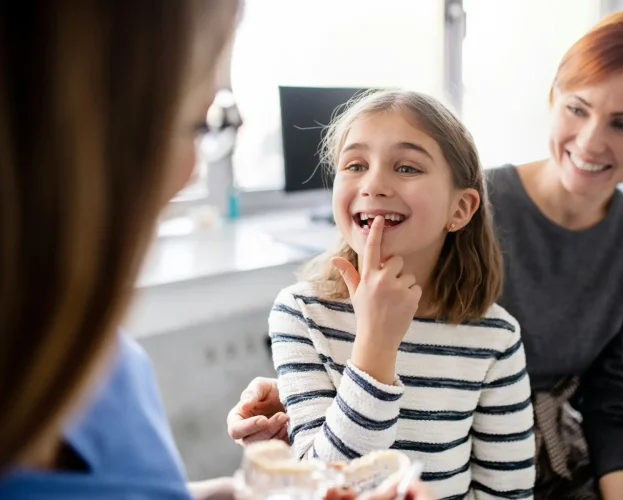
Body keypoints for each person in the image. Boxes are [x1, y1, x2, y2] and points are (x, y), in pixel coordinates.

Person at [229, 10, 623, 500]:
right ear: (554, 98)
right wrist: (325, 380)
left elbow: (612, 403)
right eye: (578, 109)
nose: (591, 139)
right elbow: (325, 472)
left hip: (541, 458)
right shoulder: (453, 200)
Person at [0, 2, 437, 500]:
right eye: (196, 124)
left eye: (407, 168)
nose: (190, 170)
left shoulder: (101, 356)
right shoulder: (297, 313)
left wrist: (244, 494)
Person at [262, 90, 536, 500]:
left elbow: (508, 493)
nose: (373, 184)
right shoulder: (301, 314)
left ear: (459, 209)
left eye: (407, 167)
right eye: (355, 165)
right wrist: (375, 346)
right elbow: (319, 489)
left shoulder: (495, 338)